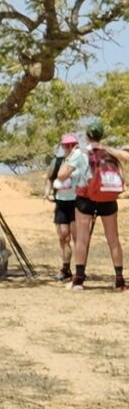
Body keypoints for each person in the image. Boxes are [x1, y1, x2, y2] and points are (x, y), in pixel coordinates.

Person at [69, 116, 126, 289]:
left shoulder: (81, 152)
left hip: (86, 199)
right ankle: (119, 279)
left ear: (86, 136)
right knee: (113, 239)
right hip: (108, 198)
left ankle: (78, 278)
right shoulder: (109, 152)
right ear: (102, 135)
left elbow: (65, 173)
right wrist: (110, 149)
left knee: (82, 239)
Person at [47, 131, 81, 278]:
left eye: (71, 145)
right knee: (63, 237)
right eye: (65, 145)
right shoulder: (58, 162)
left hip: (76, 203)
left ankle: (80, 270)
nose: (68, 148)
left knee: (77, 237)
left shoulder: (81, 161)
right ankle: (65, 268)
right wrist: (47, 192)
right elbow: (49, 178)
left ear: (76, 146)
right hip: (61, 203)